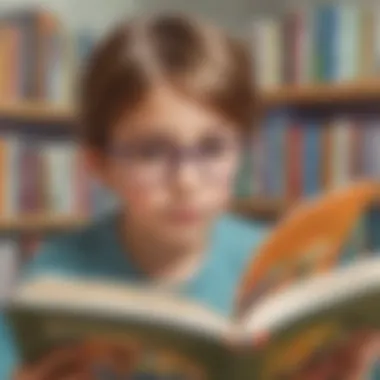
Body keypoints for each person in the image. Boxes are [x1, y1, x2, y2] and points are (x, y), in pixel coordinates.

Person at [5, 13, 268, 379]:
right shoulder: (55, 282)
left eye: (211, 147)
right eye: (151, 152)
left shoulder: (273, 264)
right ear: (99, 164)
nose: (186, 181)